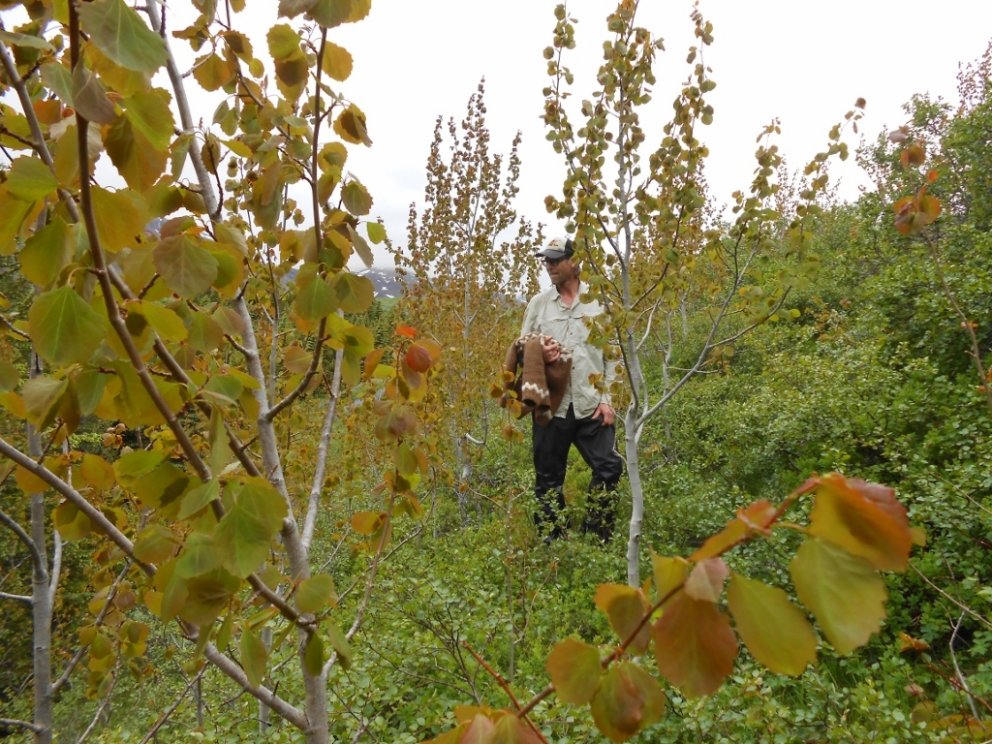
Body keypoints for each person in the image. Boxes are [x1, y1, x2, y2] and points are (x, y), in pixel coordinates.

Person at [520, 236, 623, 541]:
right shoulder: (539, 305)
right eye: (546, 260)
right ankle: (554, 543)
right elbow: (523, 347)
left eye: (555, 259)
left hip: (592, 404)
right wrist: (540, 352)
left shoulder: (601, 303)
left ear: (574, 263)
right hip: (553, 406)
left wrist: (607, 399)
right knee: (548, 480)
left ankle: (597, 537)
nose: (549, 265)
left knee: (609, 468)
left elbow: (613, 355)